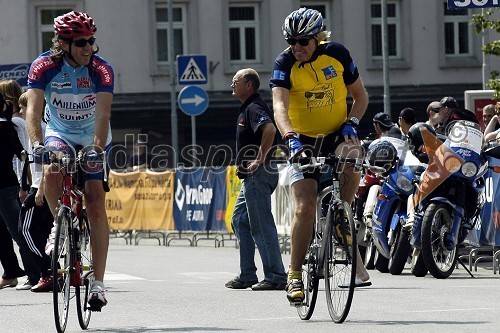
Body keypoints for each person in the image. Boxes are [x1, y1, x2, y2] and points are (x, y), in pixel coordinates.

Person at [270, 7, 371, 305]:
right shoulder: (284, 62)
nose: (297, 47)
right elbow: (279, 108)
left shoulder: (337, 54)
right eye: (292, 41)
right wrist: (290, 139)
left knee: (354, 153)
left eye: (303, 41)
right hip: (301, 139)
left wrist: (352, 122)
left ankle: (343, 212)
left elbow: (361, 96)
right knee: (305, 207)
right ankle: (294, 275)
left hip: (336, 132)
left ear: (318, 38)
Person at [26, 11, 114, 309]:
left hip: (92, 137)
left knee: (95, 200)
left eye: (91, 41)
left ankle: (99, 285)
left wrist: (97, 149)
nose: (88, 48)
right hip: (60, 132)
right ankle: (59, 224)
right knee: (52, 169)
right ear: (63, 44)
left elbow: (103, 115)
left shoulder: (101, 70)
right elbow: (33, 111)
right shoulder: (44, 67)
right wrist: (37, 144)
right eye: (80, 43)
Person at [225, 68, 287, 291]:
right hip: (251, 176)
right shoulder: (247, 108)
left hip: (258, 174)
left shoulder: (254, 107)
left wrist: (259, 158)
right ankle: (247, 274)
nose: (232, 84)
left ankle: (276, 275)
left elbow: (269, 129)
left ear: (249, 85)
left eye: (236, 81)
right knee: (240, 221)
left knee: (260, 224)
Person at [0, 92, 40, 290]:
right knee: (8, 232)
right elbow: (22, 155)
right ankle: (12, 271)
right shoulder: (8, 126)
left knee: (19, 232)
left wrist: (24, 185)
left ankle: (36, 273)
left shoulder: (6, 127)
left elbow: (23, 155)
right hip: (8, 184)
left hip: (5, 187)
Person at [17, 92, 54, 292]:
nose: (21, 110)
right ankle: (51, 270)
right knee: (43, 230)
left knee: (26, 229)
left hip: (41, 186)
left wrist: (40, 189)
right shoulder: (38, 129)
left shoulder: (39, 130)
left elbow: (46, 164)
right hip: (39, 185)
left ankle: (48, 271)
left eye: (24, 107)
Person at [0, 79, 29, 203]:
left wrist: (22, 185)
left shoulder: (15, 123)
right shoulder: (17, 121)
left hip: (17, 181)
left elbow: (22, 154)